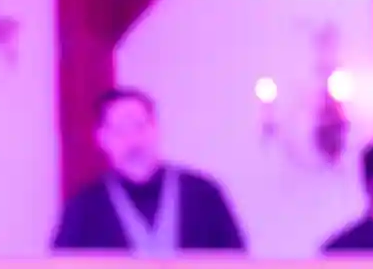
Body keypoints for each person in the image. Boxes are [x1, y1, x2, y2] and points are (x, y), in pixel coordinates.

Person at [51, 88, 246, 253]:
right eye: (120, 130)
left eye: (139, 126)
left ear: (155, 128)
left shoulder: (203, 194)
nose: (133, 140)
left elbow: (235, 263)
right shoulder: (84, 207)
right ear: (102, 138)